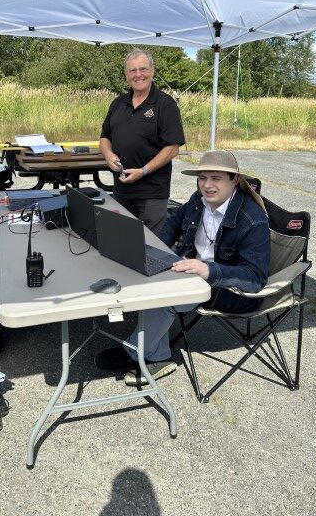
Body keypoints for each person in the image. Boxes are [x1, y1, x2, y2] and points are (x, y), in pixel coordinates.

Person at [95, 150, 271, 386]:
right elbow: (173, 222)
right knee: (146, 276)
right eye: (202, 178)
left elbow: (255, 278)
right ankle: (153, 353)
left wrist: (209, 270)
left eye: (216, 178)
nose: (207, 185)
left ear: (234, 181)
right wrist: (152, 248)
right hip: (194, 270)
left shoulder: (252, 219)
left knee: (164, 295)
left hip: (231, 290)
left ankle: (138, 353)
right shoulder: (199, 200)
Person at [99, 48, 185, 234]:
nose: (138, 74)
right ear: (126, 75)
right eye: (132, 70)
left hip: (152, 193)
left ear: (152, 71)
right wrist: (108, 154)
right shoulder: (118, 103)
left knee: (152, 244)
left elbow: (173, 148)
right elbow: (105, 137)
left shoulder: (165, 104)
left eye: (143, 69)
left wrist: (143, 171)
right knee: (123, 239)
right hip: (121, 190)